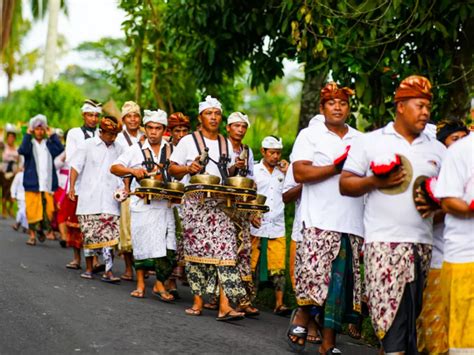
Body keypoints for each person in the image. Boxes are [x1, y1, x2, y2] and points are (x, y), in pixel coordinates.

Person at [340, 75, 446, 354]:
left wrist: (438, 206)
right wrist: (375, 182)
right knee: (389, 324)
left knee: (410, 328)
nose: (425, 112)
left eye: (428, 107)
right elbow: (345, 183)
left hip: (423, 246)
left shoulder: (438, 149)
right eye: (419, 105)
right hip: (382, 244)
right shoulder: (371, 142)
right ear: (400, 106)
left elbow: (450, 199)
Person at [288, 82, 364, 354]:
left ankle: (329, 343)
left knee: (338, 287)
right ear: (322, 108)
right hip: (319, 219)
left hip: (351, 221)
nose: (338, 107)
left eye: (343, 103)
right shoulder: (310, 135)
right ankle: (302, 316)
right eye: (332, 103)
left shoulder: (359, 139)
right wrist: (335, 167)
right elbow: (300, 174)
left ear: (348, 108)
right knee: (314, 277)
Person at [169, 95, 246, 321]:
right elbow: (172, 168)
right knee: (197, 252)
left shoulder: (225, 143)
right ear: (200, 117)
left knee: (227, 252)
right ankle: (198, 302)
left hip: (221, 203)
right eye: (209, 113)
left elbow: (224, 175)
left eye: (217, 113)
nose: (213, 117)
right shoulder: (188, 141)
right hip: (196, 203)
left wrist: (234, 169)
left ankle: (224, 306)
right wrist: (187, 167)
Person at [111, 109, 176, 301]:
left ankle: (159, 284)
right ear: (145, 129)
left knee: (168, 245)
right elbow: (114, 167)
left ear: (163, 129)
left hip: (165, 205)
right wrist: (132, 170)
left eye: (157, 128)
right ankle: (140, 285)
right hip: (142, 204)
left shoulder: (172, 149)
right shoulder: (135, 150)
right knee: (141, 243)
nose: (153, 132)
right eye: (150, 128)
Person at [417, 119, 468, 354]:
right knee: (435, 333)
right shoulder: (432, 174)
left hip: (460, 258)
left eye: (463, 138)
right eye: (454, 139)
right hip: (437, 258)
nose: (460, 144)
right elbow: (426, 215)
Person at [68, 116, 123, 282]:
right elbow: (75, 166)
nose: (112, 137)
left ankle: (108, 270)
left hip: (110, 199)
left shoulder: (119, 148)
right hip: (89, 198)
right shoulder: (87, 145)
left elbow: (124, 169)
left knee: (110, 236)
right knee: (90, 235)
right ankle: (89, 268)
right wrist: (71, 187)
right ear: (101, 132)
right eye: (109, 134)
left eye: (115, 134)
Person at [435, 132, 473, 353]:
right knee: (466, 345)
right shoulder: (461, 150)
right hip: (466, 259)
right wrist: (470, 208)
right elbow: (448, 201)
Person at [250, 136, 291, 316]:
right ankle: (247, 299)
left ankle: (279, 303)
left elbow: (293, 187)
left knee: (278, 263)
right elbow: (249, 193)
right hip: (257, 221)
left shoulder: (283, 172)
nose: (275, 156)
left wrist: (289, 170)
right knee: (251, 261)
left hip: (277, 222)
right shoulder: (255, 170)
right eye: (272, 153)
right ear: (263, 152)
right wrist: (251, 213)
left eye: (278, 153)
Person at [224, 112, 259, 317]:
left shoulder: (247, 150)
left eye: (243, 127)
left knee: (243, 250)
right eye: (236, 126)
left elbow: (251, 177)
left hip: (241, 205)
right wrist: (232, 168)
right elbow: (218, 175)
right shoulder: (222, 147)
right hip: (224, 204)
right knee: (226, 250)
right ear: (228, 128)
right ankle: (221, 299)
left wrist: (253, 204)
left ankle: (243, 300)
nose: (240, 130)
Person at [64, 99, 101, 270]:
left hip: (97, 186)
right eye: (90, 115)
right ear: (83, 115)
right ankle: (77, 258)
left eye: (96, 115)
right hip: (78, 184)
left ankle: (94, 259)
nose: (93, 119)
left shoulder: (103, 133)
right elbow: (72, 159)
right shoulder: (74, 133)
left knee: (95, 223)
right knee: (75, 223)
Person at [19, 115, 64, 246]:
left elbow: (60, 149)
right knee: (32, 211)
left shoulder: (48, 145)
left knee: (49, 212)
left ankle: (40, 228)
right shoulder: (29, 144)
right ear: (33, 130)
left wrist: (53, 135)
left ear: (44, 130)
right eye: (36, 129)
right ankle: (32, 235)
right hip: (32, 184)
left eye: (41, 129)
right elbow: (22, 150)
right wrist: (27, 135)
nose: (39, 131)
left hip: (47, 184)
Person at [115, 101, 144, 282]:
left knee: (142, 227)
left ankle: (143, 266)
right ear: (124, 119)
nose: (133, 119)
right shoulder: (118, 139)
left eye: (136, 116)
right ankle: (128, 268)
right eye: (129, 116)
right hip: (123, 186)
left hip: (144, 187)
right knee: (126, 229)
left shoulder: (146, 135)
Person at [165, 111, 191, 289]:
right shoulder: (165, 148)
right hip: (167, 198)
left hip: (187, 198)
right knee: (168, 236)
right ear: (171, 132)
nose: (181, 135)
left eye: (184, 131)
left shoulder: (192, 146)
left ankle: (181, 270)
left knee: (184, 235)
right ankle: (169, 279)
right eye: (177, 131)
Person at [1, 125, 20, 218]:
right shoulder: (4, 146)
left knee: (12, 189)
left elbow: (19, 159)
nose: (11, 139)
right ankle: (4, 207)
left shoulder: (17, 148)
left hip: (14, 170)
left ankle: (10, 207)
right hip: (4, 170)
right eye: (9, 137)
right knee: (5, 189)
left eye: (13, 137)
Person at [10, 167, 28, 233]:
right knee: (22, 211)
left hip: (29, 196)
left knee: (27, 211)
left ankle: (19, 224)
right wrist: (13, 195)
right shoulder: (19, 175)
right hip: (20, 196)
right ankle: (23, 225)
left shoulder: (32, 175)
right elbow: (14, 185)